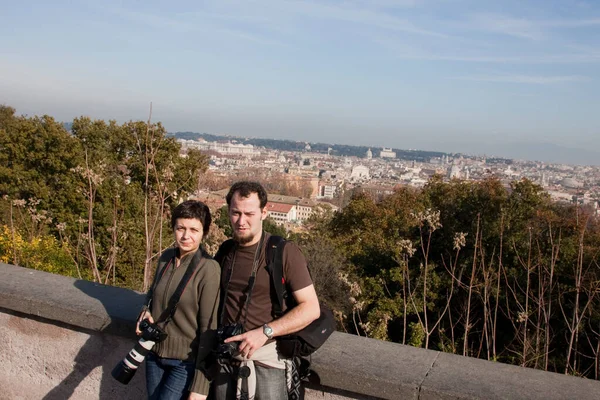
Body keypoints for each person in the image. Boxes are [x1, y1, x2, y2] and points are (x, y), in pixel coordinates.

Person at [212, 181, 320, 399]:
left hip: (267, 361)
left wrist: (264, 332)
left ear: (264, 212)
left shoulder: (283, 252)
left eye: (249, 213)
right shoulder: (225, 251)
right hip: (226, 360)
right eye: (235, 213)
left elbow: (311, 308)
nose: (241, 221)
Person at [136, 200, 220, 400]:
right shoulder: (165, 258)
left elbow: (209, 327)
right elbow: (153, 293)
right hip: (154, 354)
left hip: (184, 363)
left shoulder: (209, 269)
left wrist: (201, 384)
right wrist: (146, 309)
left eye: (193, 230)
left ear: (204, 232)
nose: (186, 236)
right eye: (180, 228)